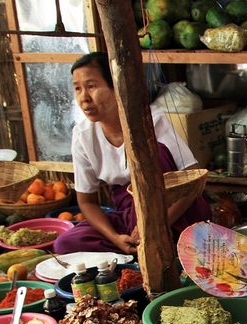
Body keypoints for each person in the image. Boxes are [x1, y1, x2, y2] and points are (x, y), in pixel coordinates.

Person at [54, 52, 211, 255]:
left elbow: (193, 180)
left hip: (174, 211)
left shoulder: (152, 122)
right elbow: (86, 201)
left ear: (115, 88)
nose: (84, 98)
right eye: (77, 89)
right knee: (65, 243)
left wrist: (156, 225)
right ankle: (133, 248)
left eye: (92, 86)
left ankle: (163, 244)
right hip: (130, 217)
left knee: (158, 151)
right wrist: (115, 237)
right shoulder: (83, 135)